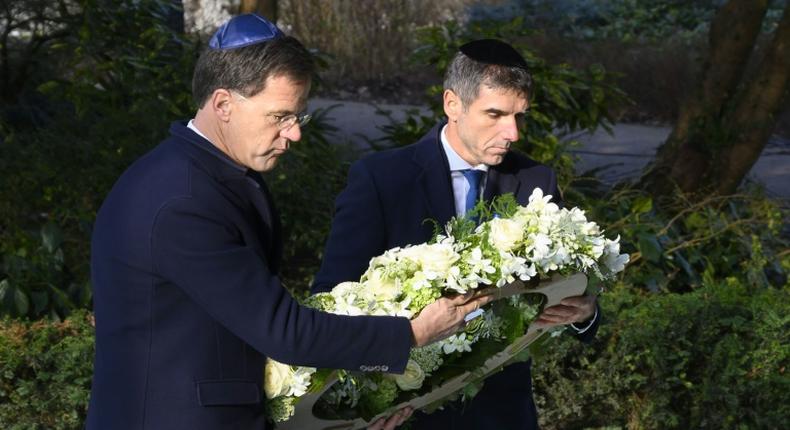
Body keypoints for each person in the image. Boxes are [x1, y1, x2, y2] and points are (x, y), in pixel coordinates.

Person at [86, 14, 490, 430]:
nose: (294, 134)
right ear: (223, 104)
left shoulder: (196, 175)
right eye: (280, 116)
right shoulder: (183, 201)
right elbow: (283, 331)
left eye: (299, 117)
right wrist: (411, 334)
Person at [312, 39, 600, 429]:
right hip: (403, 415)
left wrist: (585, 312)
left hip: (504, 413)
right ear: (452, 104)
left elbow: (567, 284)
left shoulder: (535, 180)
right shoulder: (380, 178)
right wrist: (362, 401)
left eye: (519, 116)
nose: (512, 132)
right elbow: (333, 297)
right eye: (495, 114)